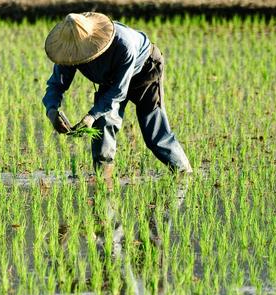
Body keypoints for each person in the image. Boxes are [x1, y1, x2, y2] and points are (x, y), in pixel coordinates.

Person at [42, 12, 192, 180]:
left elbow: (119, 91)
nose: (79, 57)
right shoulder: (70, 52)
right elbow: (56, 84)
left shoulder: (123, 44)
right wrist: (52, 110)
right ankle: (103, 178)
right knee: (104, 123)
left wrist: (91, 116)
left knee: (153, 129)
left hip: (145, 71)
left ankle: (183, 173)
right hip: (110, 77)